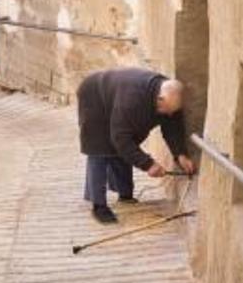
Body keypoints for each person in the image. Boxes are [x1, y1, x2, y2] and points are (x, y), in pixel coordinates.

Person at [77, 67, 197, 223]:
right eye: (167, 111)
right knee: (100, 150)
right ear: (159, 99)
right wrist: (148, 164)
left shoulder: (170, 99)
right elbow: (121, 139)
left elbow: (172, 128)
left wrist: (180, 154)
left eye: (172, 112)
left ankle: (125, 195)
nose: (169, 115)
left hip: (115, 96)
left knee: (124, 148)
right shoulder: (131, 101)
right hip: (93, 96)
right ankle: (99, 206)